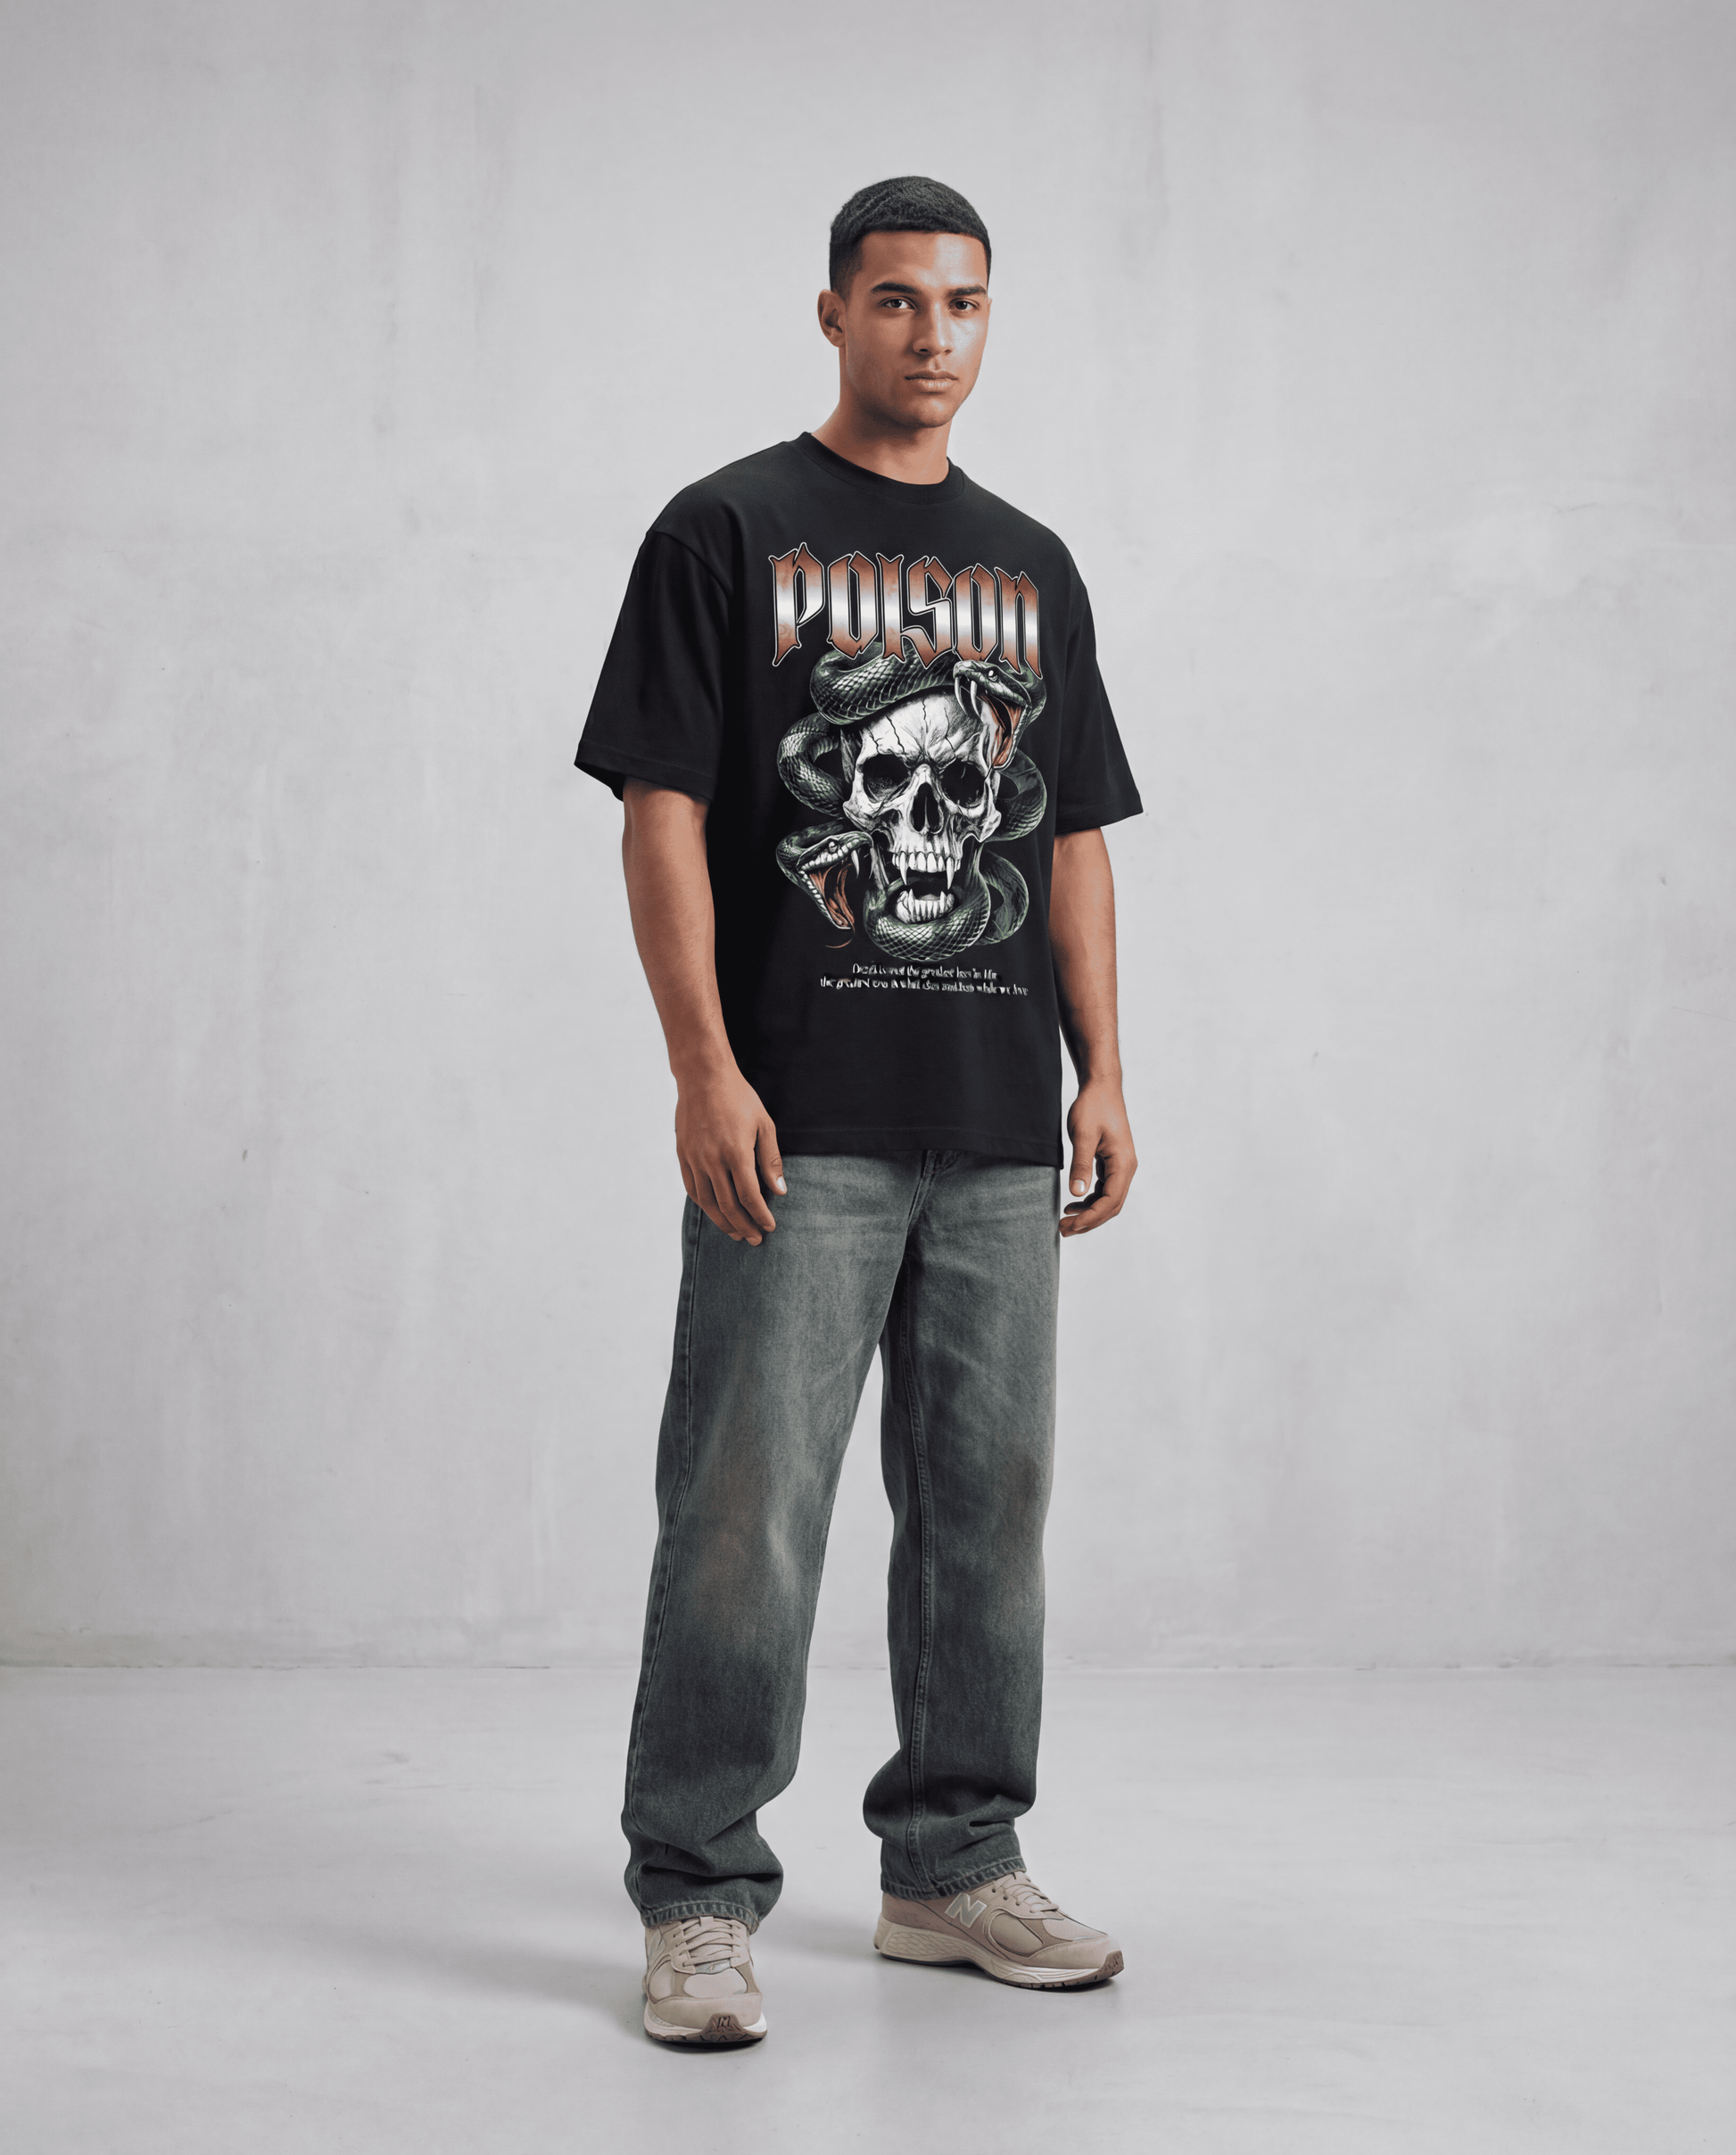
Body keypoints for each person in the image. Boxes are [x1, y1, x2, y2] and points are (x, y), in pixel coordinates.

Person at [575, 175, 1143, 2047]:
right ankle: (696, 1892)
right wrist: (701, 1065)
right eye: (895, 299)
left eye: (961, 302)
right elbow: (660, 810)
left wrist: (1102, 1069)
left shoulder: (1032, 565)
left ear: (991, 319)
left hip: (994, 1120)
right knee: (742, 1513)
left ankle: (952, 1862)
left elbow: (1070, 837)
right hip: (794, 1115)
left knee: (986, 1510)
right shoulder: (725, 528)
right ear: (832, 314)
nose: (932, 334)